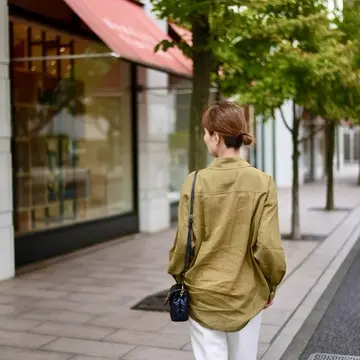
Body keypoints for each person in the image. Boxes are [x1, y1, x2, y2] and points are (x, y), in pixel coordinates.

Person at [168, 101, 287, 360]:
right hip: (247, 294)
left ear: (217, 137)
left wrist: (178, 277)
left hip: (203, 294)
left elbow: (184, 245)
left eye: (205, 132)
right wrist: (271, 285)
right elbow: (267, 246)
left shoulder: (195, 181)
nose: (204, 138)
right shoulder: (263, 182)